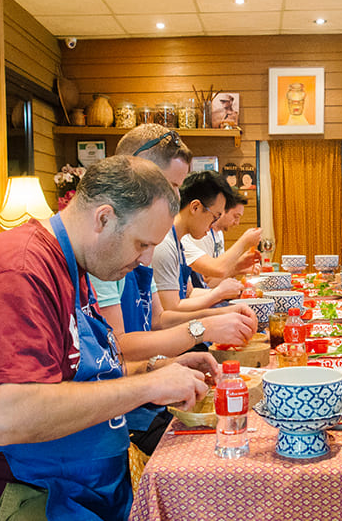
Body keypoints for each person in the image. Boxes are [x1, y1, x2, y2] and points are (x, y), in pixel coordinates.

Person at [0, 156, 217, 520]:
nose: (146, 260)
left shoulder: (76, 266)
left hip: (76, 492)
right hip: (16, 497)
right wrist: (148, 388)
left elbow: (77, 377)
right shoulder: (17, 271)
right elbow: (6, 415)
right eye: (141, 244)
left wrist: (156, 369)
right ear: (104, 218)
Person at [89, 125, 257, 454]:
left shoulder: (146, 239)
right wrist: (203, 326)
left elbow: (159, 319)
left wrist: (168, 363)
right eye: (171, 185)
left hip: (142, 395)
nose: (174, 198)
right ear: (131, 171)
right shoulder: (106, 248)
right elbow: (119, 347)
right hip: (123, 418)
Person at [153, 170, 247, 312]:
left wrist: (230, 292)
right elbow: (171, 309)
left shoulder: (178, 241)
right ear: (195, 207)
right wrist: (218, 293)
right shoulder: (164, 244)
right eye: (215, 217)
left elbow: (189, 293)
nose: (213, 226)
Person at [182, 190, 263, 286]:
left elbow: (220, 273)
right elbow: (209, 280)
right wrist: (244, 241)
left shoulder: (218, 233)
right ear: (222, 210)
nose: (237, 223)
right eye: (235, 217)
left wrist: (239, 266)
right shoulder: (200, 235)